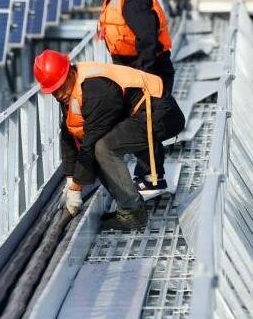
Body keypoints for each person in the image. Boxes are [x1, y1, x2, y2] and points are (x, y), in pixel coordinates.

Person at [33, 50, 185, 231]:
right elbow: (69, 133)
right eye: (54, 91)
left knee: (103, 148)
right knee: (97, 150)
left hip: (160, 113)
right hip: (143, 112)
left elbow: (90, 143)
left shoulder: (96, 91)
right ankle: (129, 203)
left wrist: (76, 188)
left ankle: (133, 213)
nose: (59, 94)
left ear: (69, 72)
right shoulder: (72, 88)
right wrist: (70, 177)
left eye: (61, 87)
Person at [90, 0, 175, 194]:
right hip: (132, 69)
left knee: (143, 121)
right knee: (139, 120)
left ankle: (152, 178)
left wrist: (142, 77)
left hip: (149, 69)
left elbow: (148, 39)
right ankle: (149, 175)